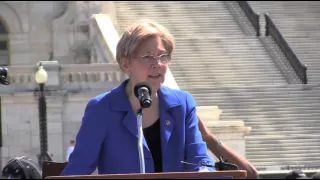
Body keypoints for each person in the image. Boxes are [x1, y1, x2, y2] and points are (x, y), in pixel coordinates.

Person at [61, 19, 215, 175]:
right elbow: (78, 169)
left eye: (162, 56)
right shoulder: (102, 108)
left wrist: (205, 170)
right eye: (148, 57)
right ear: (127, 64)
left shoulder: (182, 104)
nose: (157, 64)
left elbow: (200, 159)